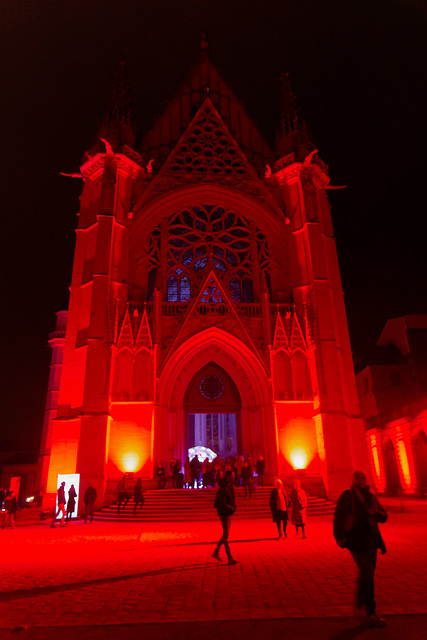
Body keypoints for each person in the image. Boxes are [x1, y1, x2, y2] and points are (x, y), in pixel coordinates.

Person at [333, 470, 387, 628]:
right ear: (353, 480)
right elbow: (339, 517)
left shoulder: (371, 498)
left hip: (371, 540)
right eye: (357, 477)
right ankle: (370, 612)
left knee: (367, 574)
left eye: (362, 477)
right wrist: (339, 537)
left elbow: (384, 516)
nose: (360, 479)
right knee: (367, 573)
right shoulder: (347, 496)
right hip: (355, 541)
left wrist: (374, 513)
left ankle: (358, 607)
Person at [212, 470, 238, 565]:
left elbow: (231, 498)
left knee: (226, 533)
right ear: (228, 477)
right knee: (226, 533)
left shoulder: (230, 486)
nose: (234, 477)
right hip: (224, 511)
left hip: (228, 511)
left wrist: (233, 505)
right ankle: (229, 556)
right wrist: (230, 506)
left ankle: (217, 551)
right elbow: (222, 501)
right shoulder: (224, 487)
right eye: (232, 475)